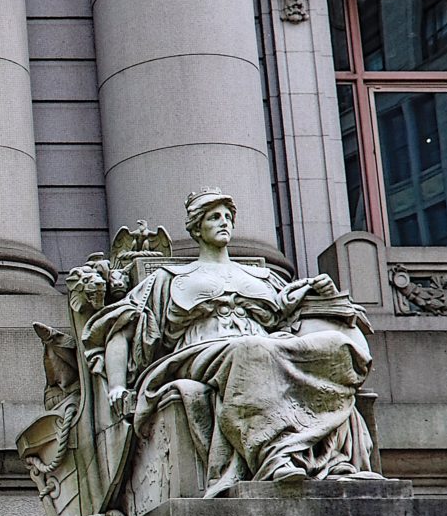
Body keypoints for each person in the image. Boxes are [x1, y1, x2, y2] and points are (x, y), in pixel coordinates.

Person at [90, 190, 378, 495]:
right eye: (214, 217)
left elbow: (302, 316)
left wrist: (323, 292)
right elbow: (120, 329)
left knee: (330, 345)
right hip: (199, 353)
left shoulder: (263, 277)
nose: (224, 222)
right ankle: (273, 456)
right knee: (252, 350)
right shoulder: (169, 278)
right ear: (196, 228)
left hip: (264, 348)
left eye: (228, 217)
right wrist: (117, 386)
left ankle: (337, 463)